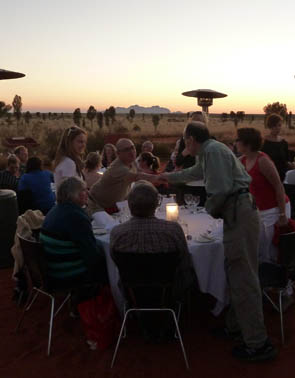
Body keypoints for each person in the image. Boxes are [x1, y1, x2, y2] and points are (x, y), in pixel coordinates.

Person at [160, 122, 277, 362]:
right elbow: (192, 173)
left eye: (185, 140)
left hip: (239, 214)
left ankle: (257, 343)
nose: (184, 144)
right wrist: (164, 176)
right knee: (235, 272)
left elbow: (221, 190)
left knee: (244, 277)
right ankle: (236, 326)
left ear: (191, 139)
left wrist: (209, 209)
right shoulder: (210, 151)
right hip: (240, 213)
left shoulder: (212, 151)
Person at [109, 181, 195, 341]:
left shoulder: (117, 233)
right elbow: (184, 260)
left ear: (129, 204)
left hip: (132, 289)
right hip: (169, 287)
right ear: (156, 204)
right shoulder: (173, 230)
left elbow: (115, 260)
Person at [41, 177, 108, 289]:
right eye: (84, 190)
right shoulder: (76, 216)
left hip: (53, 269)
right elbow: (91, 255)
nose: (87, 193)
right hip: (69, 274)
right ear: (74, 195)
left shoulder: (55, 210)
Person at [235, 128, 288, 263]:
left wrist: (282, 215)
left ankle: (280, 281)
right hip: (259, 209)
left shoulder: (262, 161)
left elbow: (279, 186)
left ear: (247, 143)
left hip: (275, 208)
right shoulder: (241, 161)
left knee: (270, 251)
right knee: (259, 248)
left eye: (237, 140)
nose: (235, 143)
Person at [87, 138, 160, 223]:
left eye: (132, 147)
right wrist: (159, 177)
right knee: (109, 231)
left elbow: (140, 173)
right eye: (126, 150)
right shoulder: (118, 168)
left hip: (112, 206)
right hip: (96, 206)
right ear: (118, 153)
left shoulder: (131, 162)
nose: (131, 151)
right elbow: (138, 176)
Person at [261, 114, 289, 181]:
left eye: (279, 125)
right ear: (270, 126)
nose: (278, 128)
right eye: (275, 125)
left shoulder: (283, 142)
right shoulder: (263, 142)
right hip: (267, 175)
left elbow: (286, 159)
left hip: (282, 175)